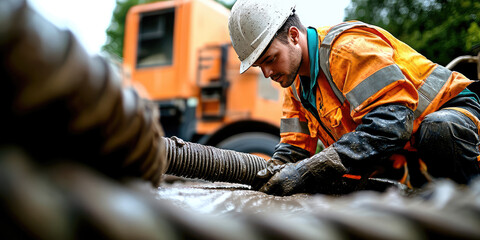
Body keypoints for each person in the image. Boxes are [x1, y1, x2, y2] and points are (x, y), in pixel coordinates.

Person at [228, 0, 480, 195]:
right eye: (259, 66)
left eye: (270, 59)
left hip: (453, 114)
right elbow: (294, 151)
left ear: (294, 36)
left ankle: (468, 205)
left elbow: (392, 124)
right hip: (405, 148)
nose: (267, 73)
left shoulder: (347, 51)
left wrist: (310, 170)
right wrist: (272, 174)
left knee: (439, 129)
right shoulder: (294, 86)